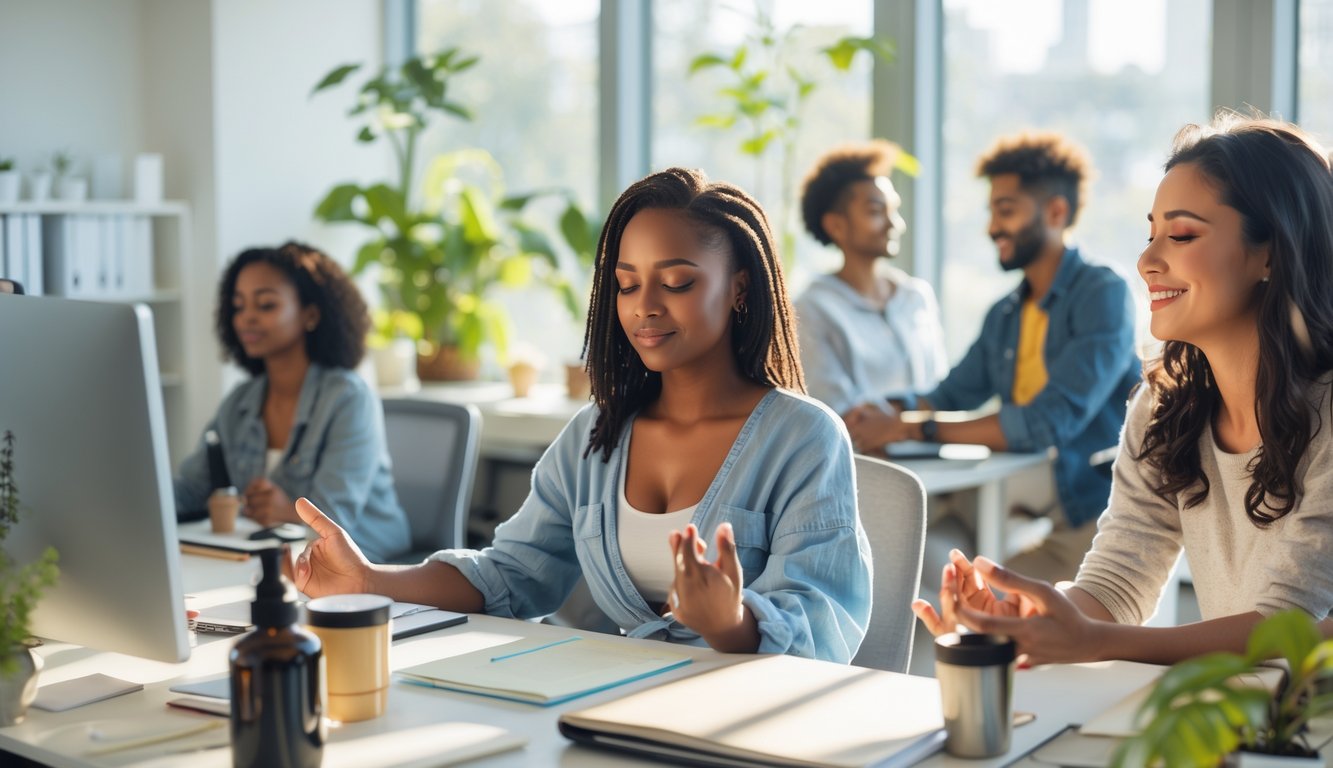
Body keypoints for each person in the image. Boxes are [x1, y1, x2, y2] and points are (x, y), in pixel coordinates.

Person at [291, 168, 873, 662]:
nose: (645, 306)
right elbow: (512, 574)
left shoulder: (803, 436)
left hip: (744, 722)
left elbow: (821, 625)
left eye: (676, 282)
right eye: (626, 285)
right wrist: (370, 581)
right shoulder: (597, 435)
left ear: (741, 287)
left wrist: (730, 622)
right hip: (617, 705)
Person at [914, 116, 1333, 666]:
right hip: (1243, 715)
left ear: (1271, 252)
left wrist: (1099, 642)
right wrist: (1029, 619)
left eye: (1181, 235)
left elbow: (1293, 625)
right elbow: (1118, 581)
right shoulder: (1166, 405)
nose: (1146, 261)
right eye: (1150, 233)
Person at [855, 132, 1140, 583]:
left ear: (1056, 212)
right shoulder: (1006, 313)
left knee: (994, 607)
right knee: (919, 557)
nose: (992, 228)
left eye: (1005, 210)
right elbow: (953, 391)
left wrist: (912, 428)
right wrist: (887, 410)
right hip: (1016, 498)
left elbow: (1047, 424)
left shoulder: (1103, 293)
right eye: (991, 211)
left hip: (1090, 513)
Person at [174, 241, 410, 562]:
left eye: (266, 305)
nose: (246, 319)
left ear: (310, 314)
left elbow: (336, 518)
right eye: (239, 306)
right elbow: (191, 489)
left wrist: (286, 510)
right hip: (278, 559)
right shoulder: (240, 402)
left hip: (369, 564)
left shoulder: (348, 398)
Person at [794, 140, 948, 417]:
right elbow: (836, 413)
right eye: (876, 211)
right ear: (836, 225)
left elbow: (942, 394)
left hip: (933, 452)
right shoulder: (811, 309)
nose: (894, 224)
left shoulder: (916, 297)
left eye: (894, 210)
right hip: (865, 459)